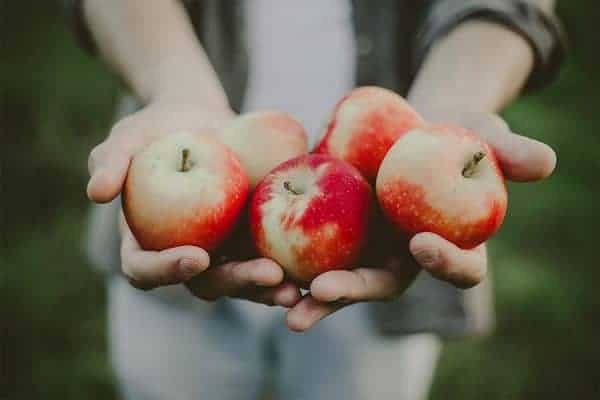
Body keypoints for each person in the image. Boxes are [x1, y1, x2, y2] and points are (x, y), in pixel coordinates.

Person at [67, 1, 565, 399]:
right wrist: (173, 86)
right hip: (177, 216)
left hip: (382, 243)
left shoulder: (417, 150)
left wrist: (457, 103)